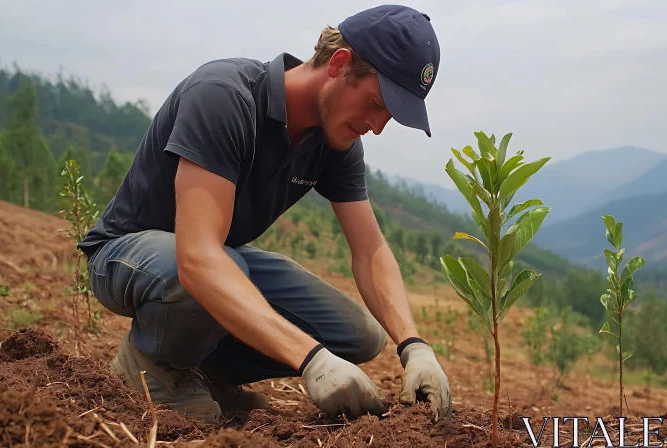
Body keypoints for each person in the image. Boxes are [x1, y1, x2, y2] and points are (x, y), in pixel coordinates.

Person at [77, 4, 452, 425]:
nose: (377, 126)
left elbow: (371, 251)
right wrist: (312, 360)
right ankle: (153, 364)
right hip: (129, 258)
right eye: (375, 103)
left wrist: (414, 346)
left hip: (214, 260)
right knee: (220, 264)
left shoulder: (337, 143)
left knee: (357, 334)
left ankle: (205, 374)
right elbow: (197, 260)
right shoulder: (224, 96)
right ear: (340, 64)